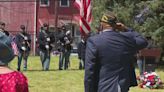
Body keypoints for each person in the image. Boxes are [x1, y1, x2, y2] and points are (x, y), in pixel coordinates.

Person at [84, 11, 148, 92]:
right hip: (122, 86)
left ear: (102, 24)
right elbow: (143, 41)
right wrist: (126, 29)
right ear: (116, 24)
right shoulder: (127, 39)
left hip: (103, 87)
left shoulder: (94, 41)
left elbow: (89, 70)